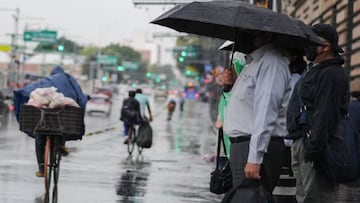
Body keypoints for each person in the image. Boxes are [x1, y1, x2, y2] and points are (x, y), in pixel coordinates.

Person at [222, 30, 291, 202]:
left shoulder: (271, 62)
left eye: (248, 33)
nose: (240, 38)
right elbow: (248, 106)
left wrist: (255, 158)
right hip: (242, 146)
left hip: (255, 147)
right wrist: (232, 85)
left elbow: (266, 112)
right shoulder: (253, 63)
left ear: (266, 36)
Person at [286, 23, 350, 203]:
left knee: (316, 198)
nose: (307, 46)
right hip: (302, 142)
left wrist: (313, 149)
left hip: (316, 147)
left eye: (312, 41)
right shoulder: (313, 70)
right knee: (304, 197)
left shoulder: (331, 74)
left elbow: (326, 114)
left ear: (326, 47)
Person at [13, 66, 89, 177]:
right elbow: (80, 96)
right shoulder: (69, 80)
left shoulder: (47, 81)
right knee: (61, 128)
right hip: (62, 112)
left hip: (43, 116)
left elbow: (30, 90)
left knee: (39, 137)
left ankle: (41, 168)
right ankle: (61, 145)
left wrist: (19, 94)